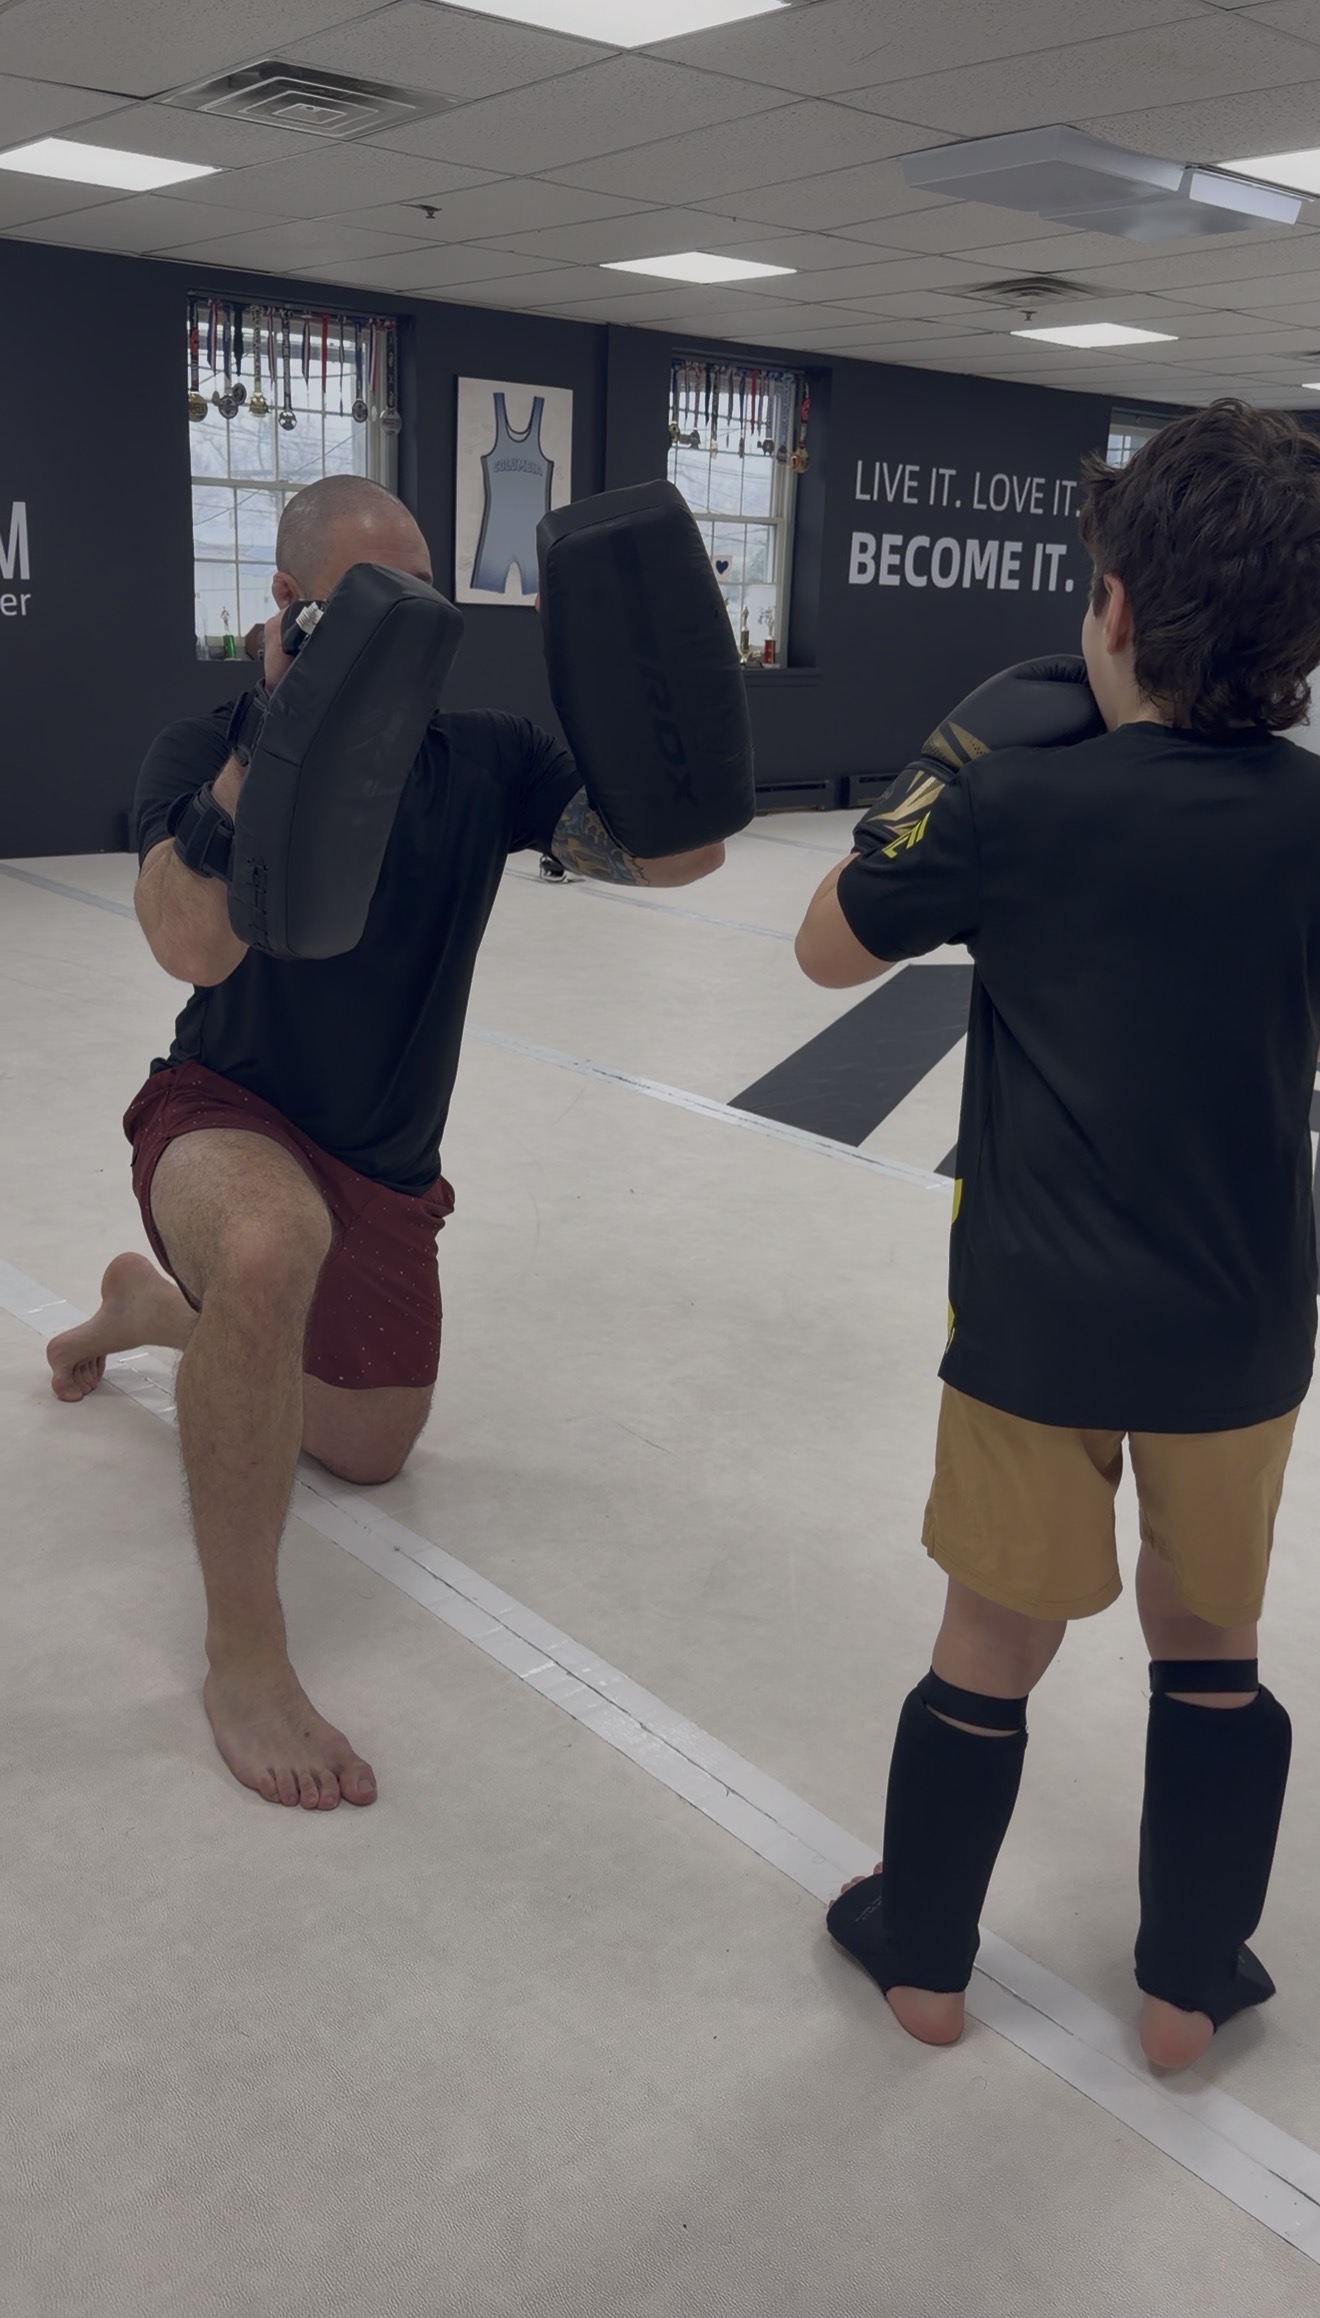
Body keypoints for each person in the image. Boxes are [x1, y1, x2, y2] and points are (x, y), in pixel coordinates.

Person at [48, 474, 724, 1815]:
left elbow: (673, 859)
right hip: (220, 1119)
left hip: (384, 1168)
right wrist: (280, 733)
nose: (410, 639)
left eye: (427, 608)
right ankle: (243, 1655)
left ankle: (153, 1310)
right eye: (375, 611)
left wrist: (675, 743)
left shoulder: (481, 758)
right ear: (290, 617)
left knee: (366, 1443)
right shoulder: (204, 752)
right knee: (262, 1244)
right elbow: (188, 938)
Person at [795, 400, 1320, 2074]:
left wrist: (949, 767)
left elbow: (825, 948)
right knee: (1211, 1637)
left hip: (1034, 1313)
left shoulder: (1018, 802)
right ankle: (1186, 1983)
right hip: (1241, 1321)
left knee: (992, 1633)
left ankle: (926, 1955)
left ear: (1108, 608)